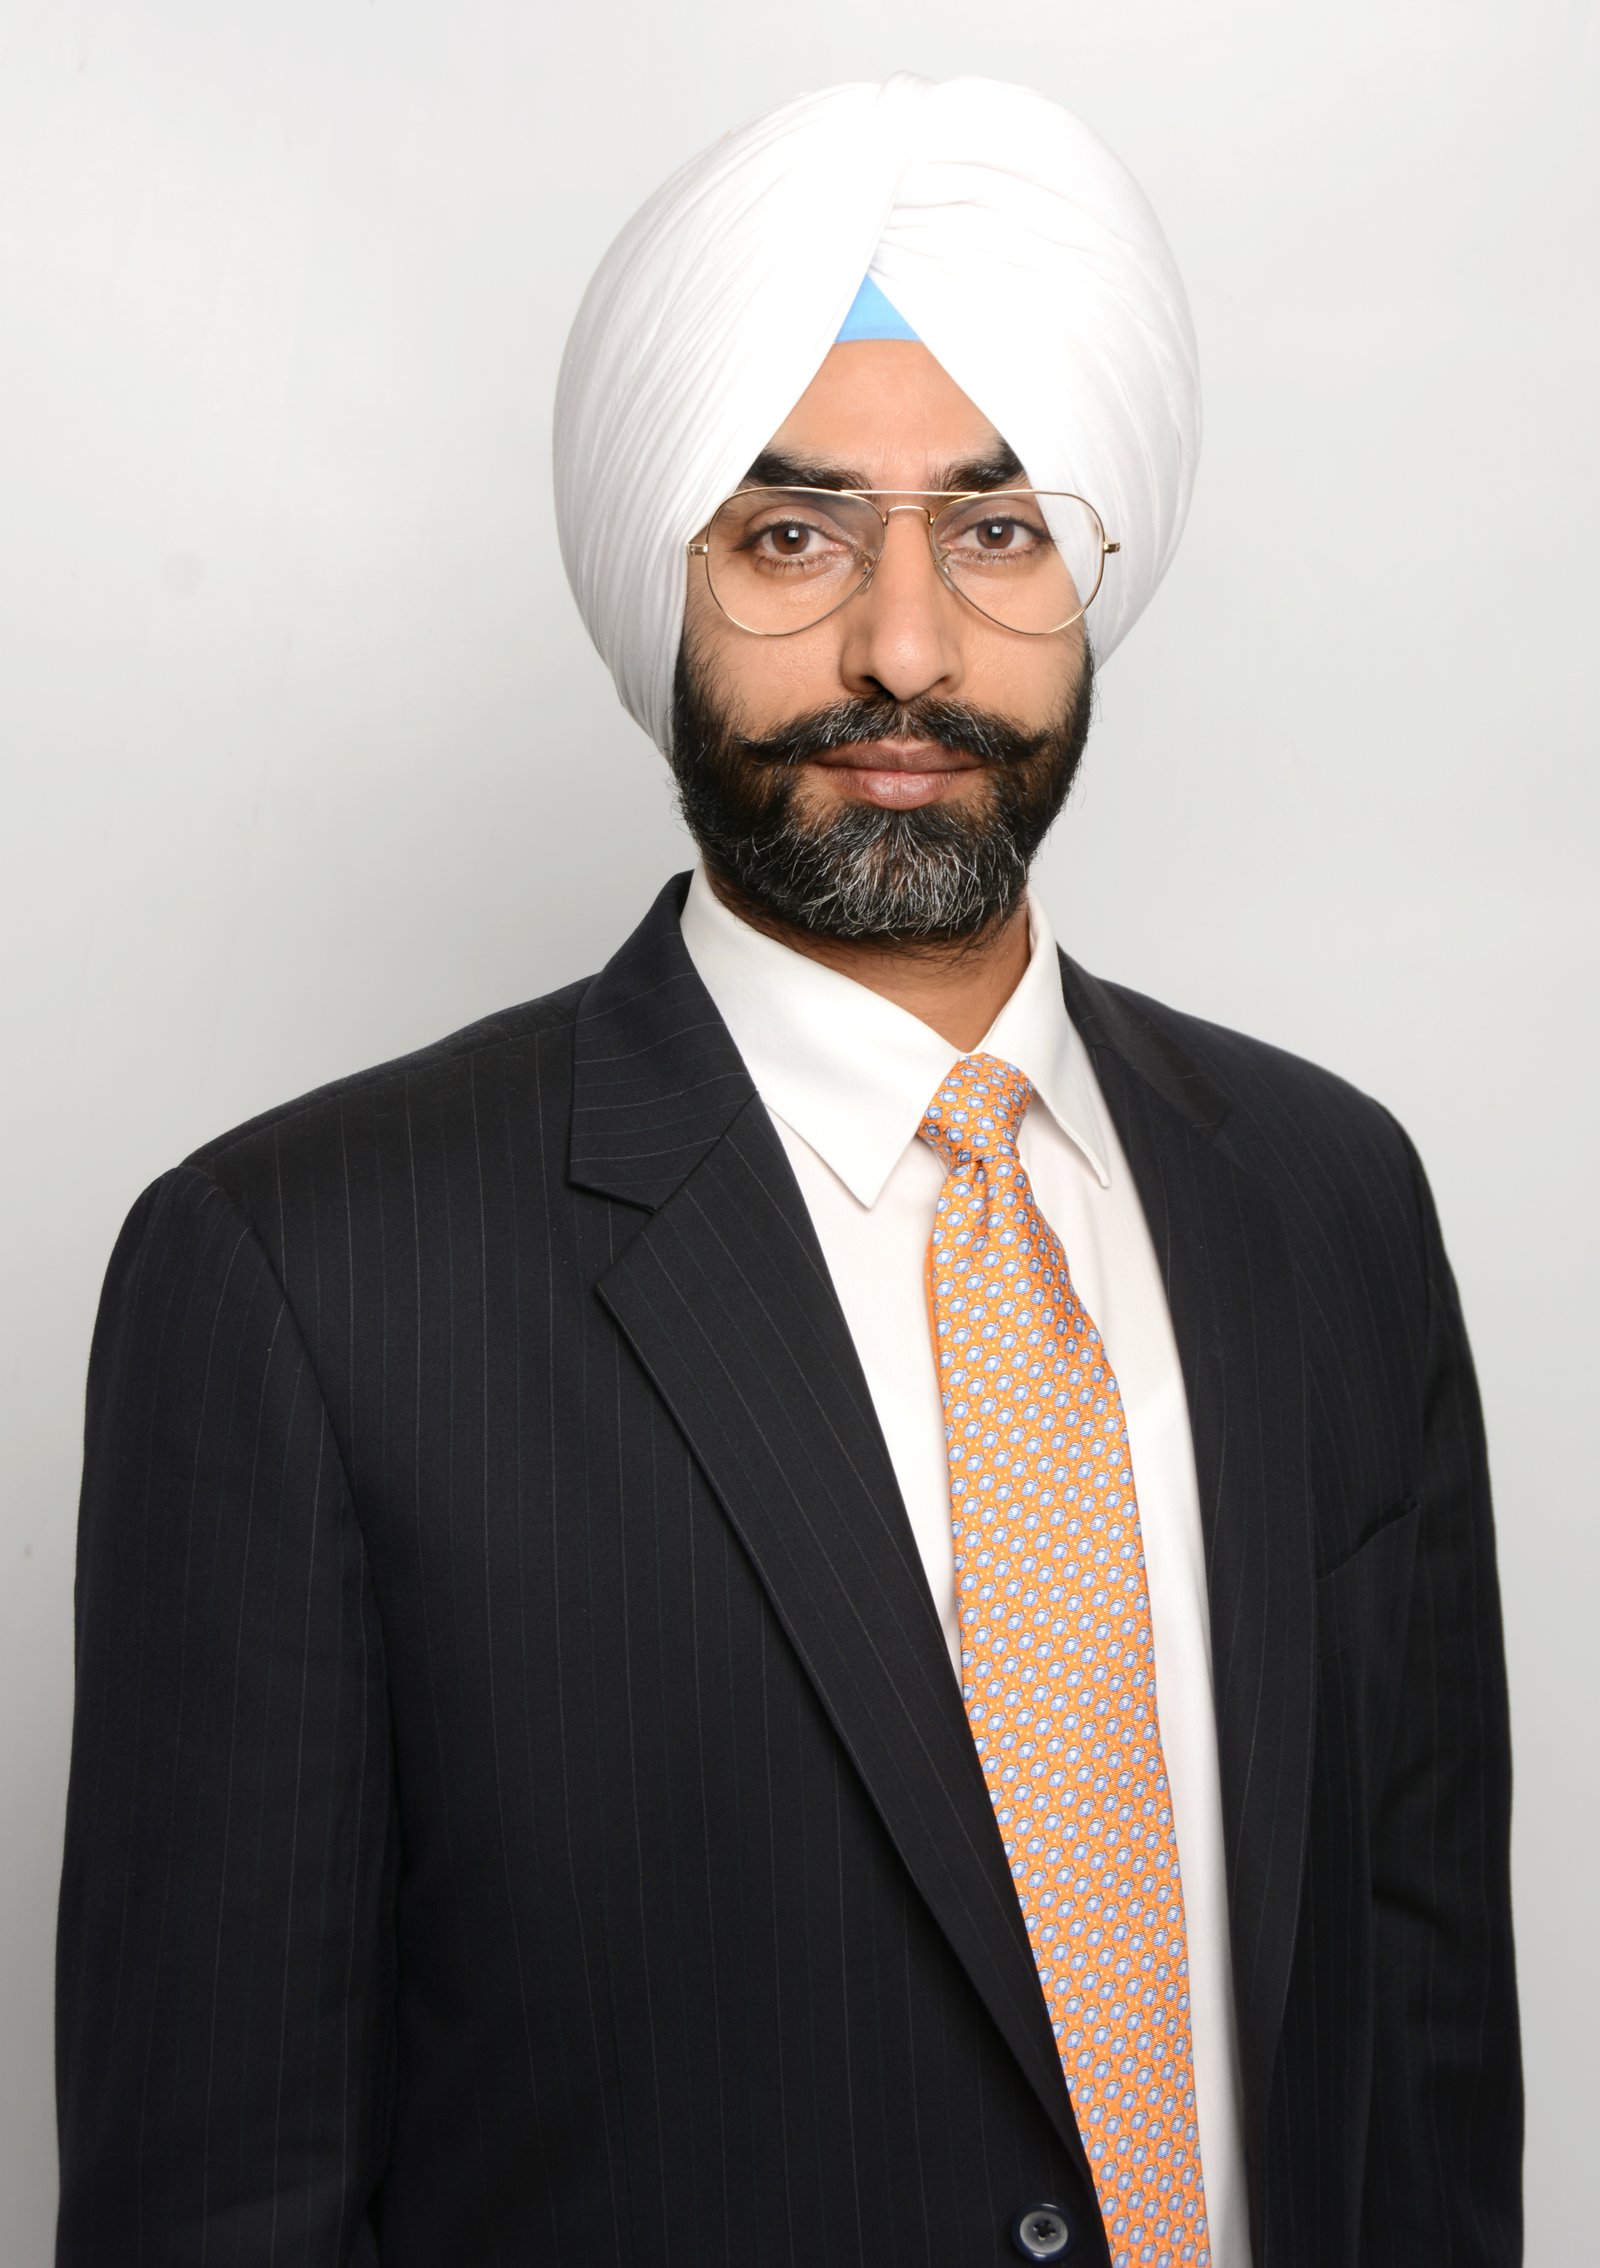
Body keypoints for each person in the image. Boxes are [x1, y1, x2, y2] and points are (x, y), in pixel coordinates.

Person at [54, 72, 1520, 2268]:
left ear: (1093, 575)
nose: (902, 650)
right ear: (661, 581)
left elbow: (1420, 2074)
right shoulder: (299, 1282)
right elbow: (218, 2205)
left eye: (995, 532)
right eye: (791, 535)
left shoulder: (1331, 1203)